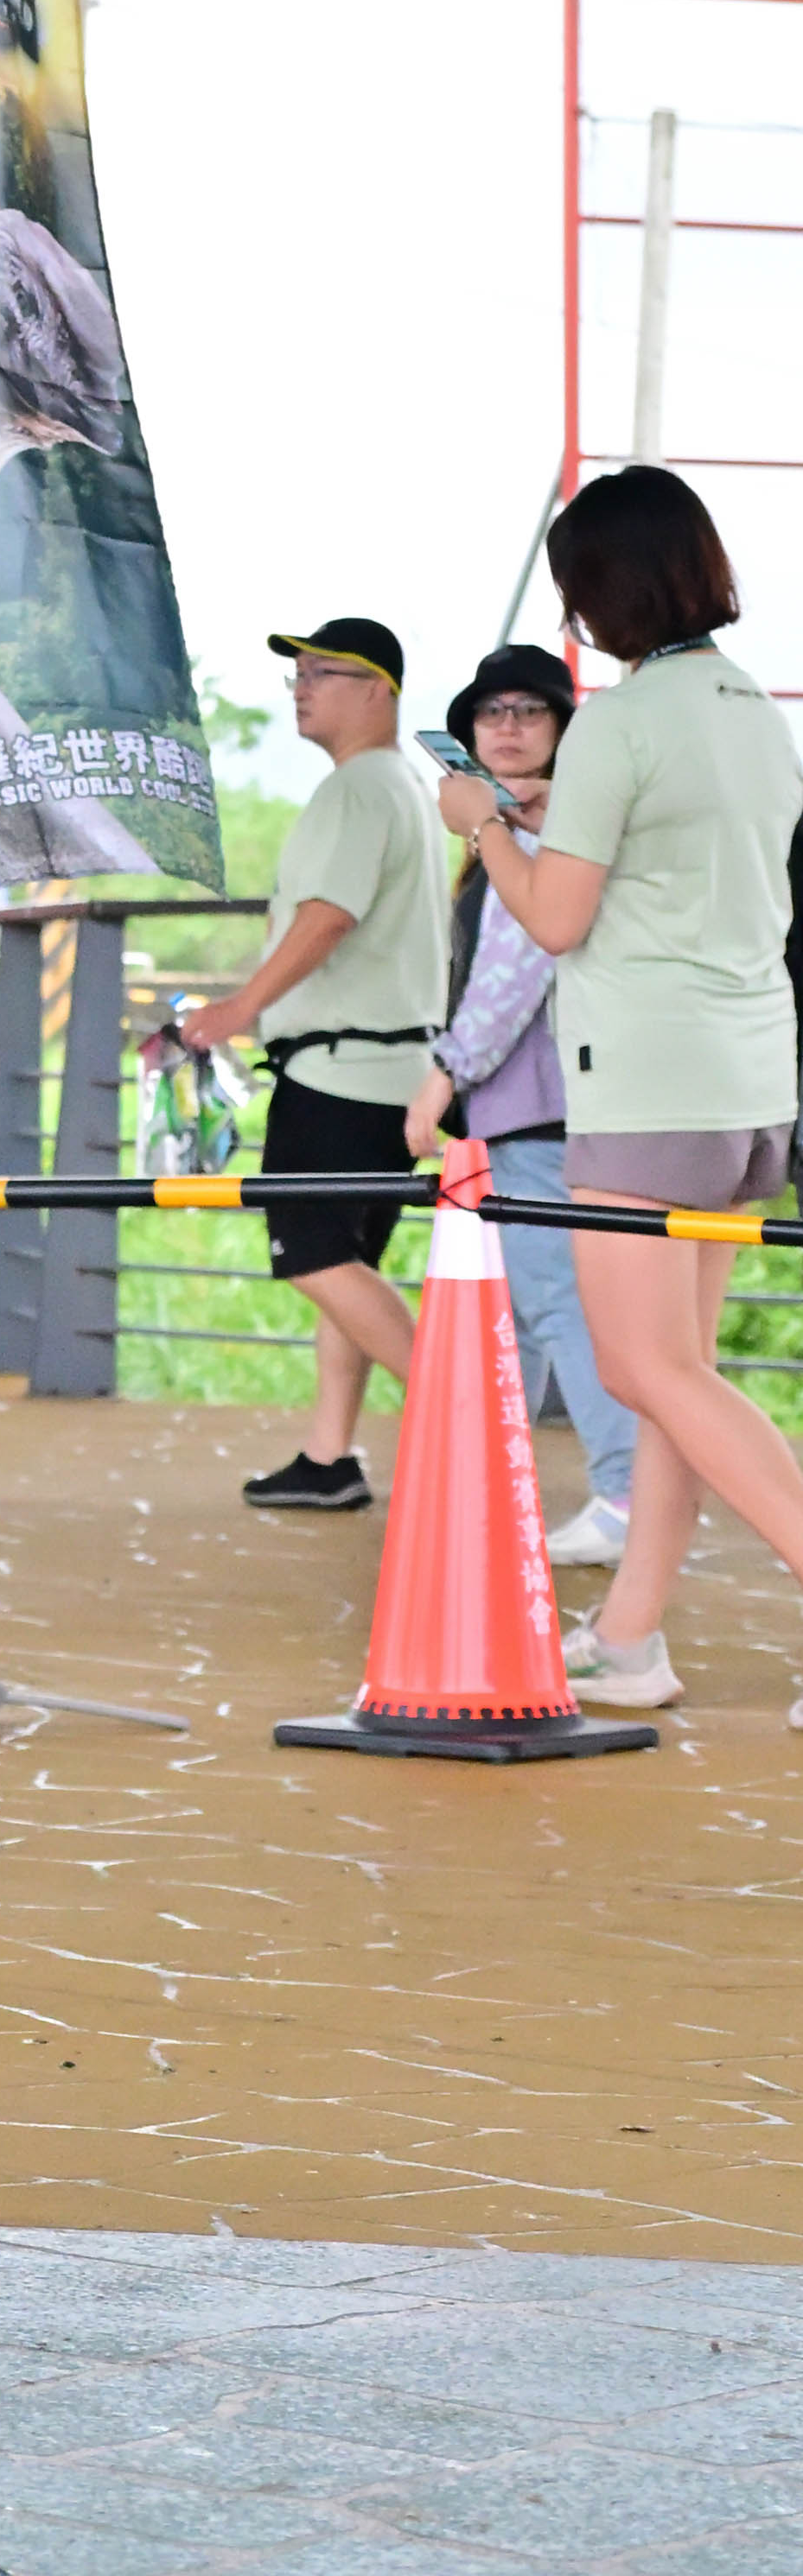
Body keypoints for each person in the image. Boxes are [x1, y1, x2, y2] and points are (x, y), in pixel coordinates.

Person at [429, 466, 803, 1721]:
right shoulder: (752, 709)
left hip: (646, 1081)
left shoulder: (623, 724)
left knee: (651, 1372)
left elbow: (553, 918)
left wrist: (484, 824)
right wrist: (540, 813)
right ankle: (631, 1637)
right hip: (750, 1080)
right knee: (675, 1374)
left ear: (607, 590)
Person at [181, 613, 443, 1511]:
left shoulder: (359, 790)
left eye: (324, 672)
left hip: (339, 1070)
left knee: (315, 1256)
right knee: (348, 1268)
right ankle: (329, 1457)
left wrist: (239, 1008)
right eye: (298, 672)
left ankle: (466, 1419)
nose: (302, 686)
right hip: (392, 1073)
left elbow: (328, 916)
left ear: (379, 692)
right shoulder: (403, 787)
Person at [400, 643, 634, 1573]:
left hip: (539, 1103)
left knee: (558, 1302)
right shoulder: (535, 826)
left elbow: (514, 969)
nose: (506, 727)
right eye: (490, 713)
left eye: (529, 711)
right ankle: (504, 1481)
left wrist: (445, 1073)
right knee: (527, 1307)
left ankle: (623, 1492)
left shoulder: (535, 838)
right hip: (548, 1101)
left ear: (565, 729)